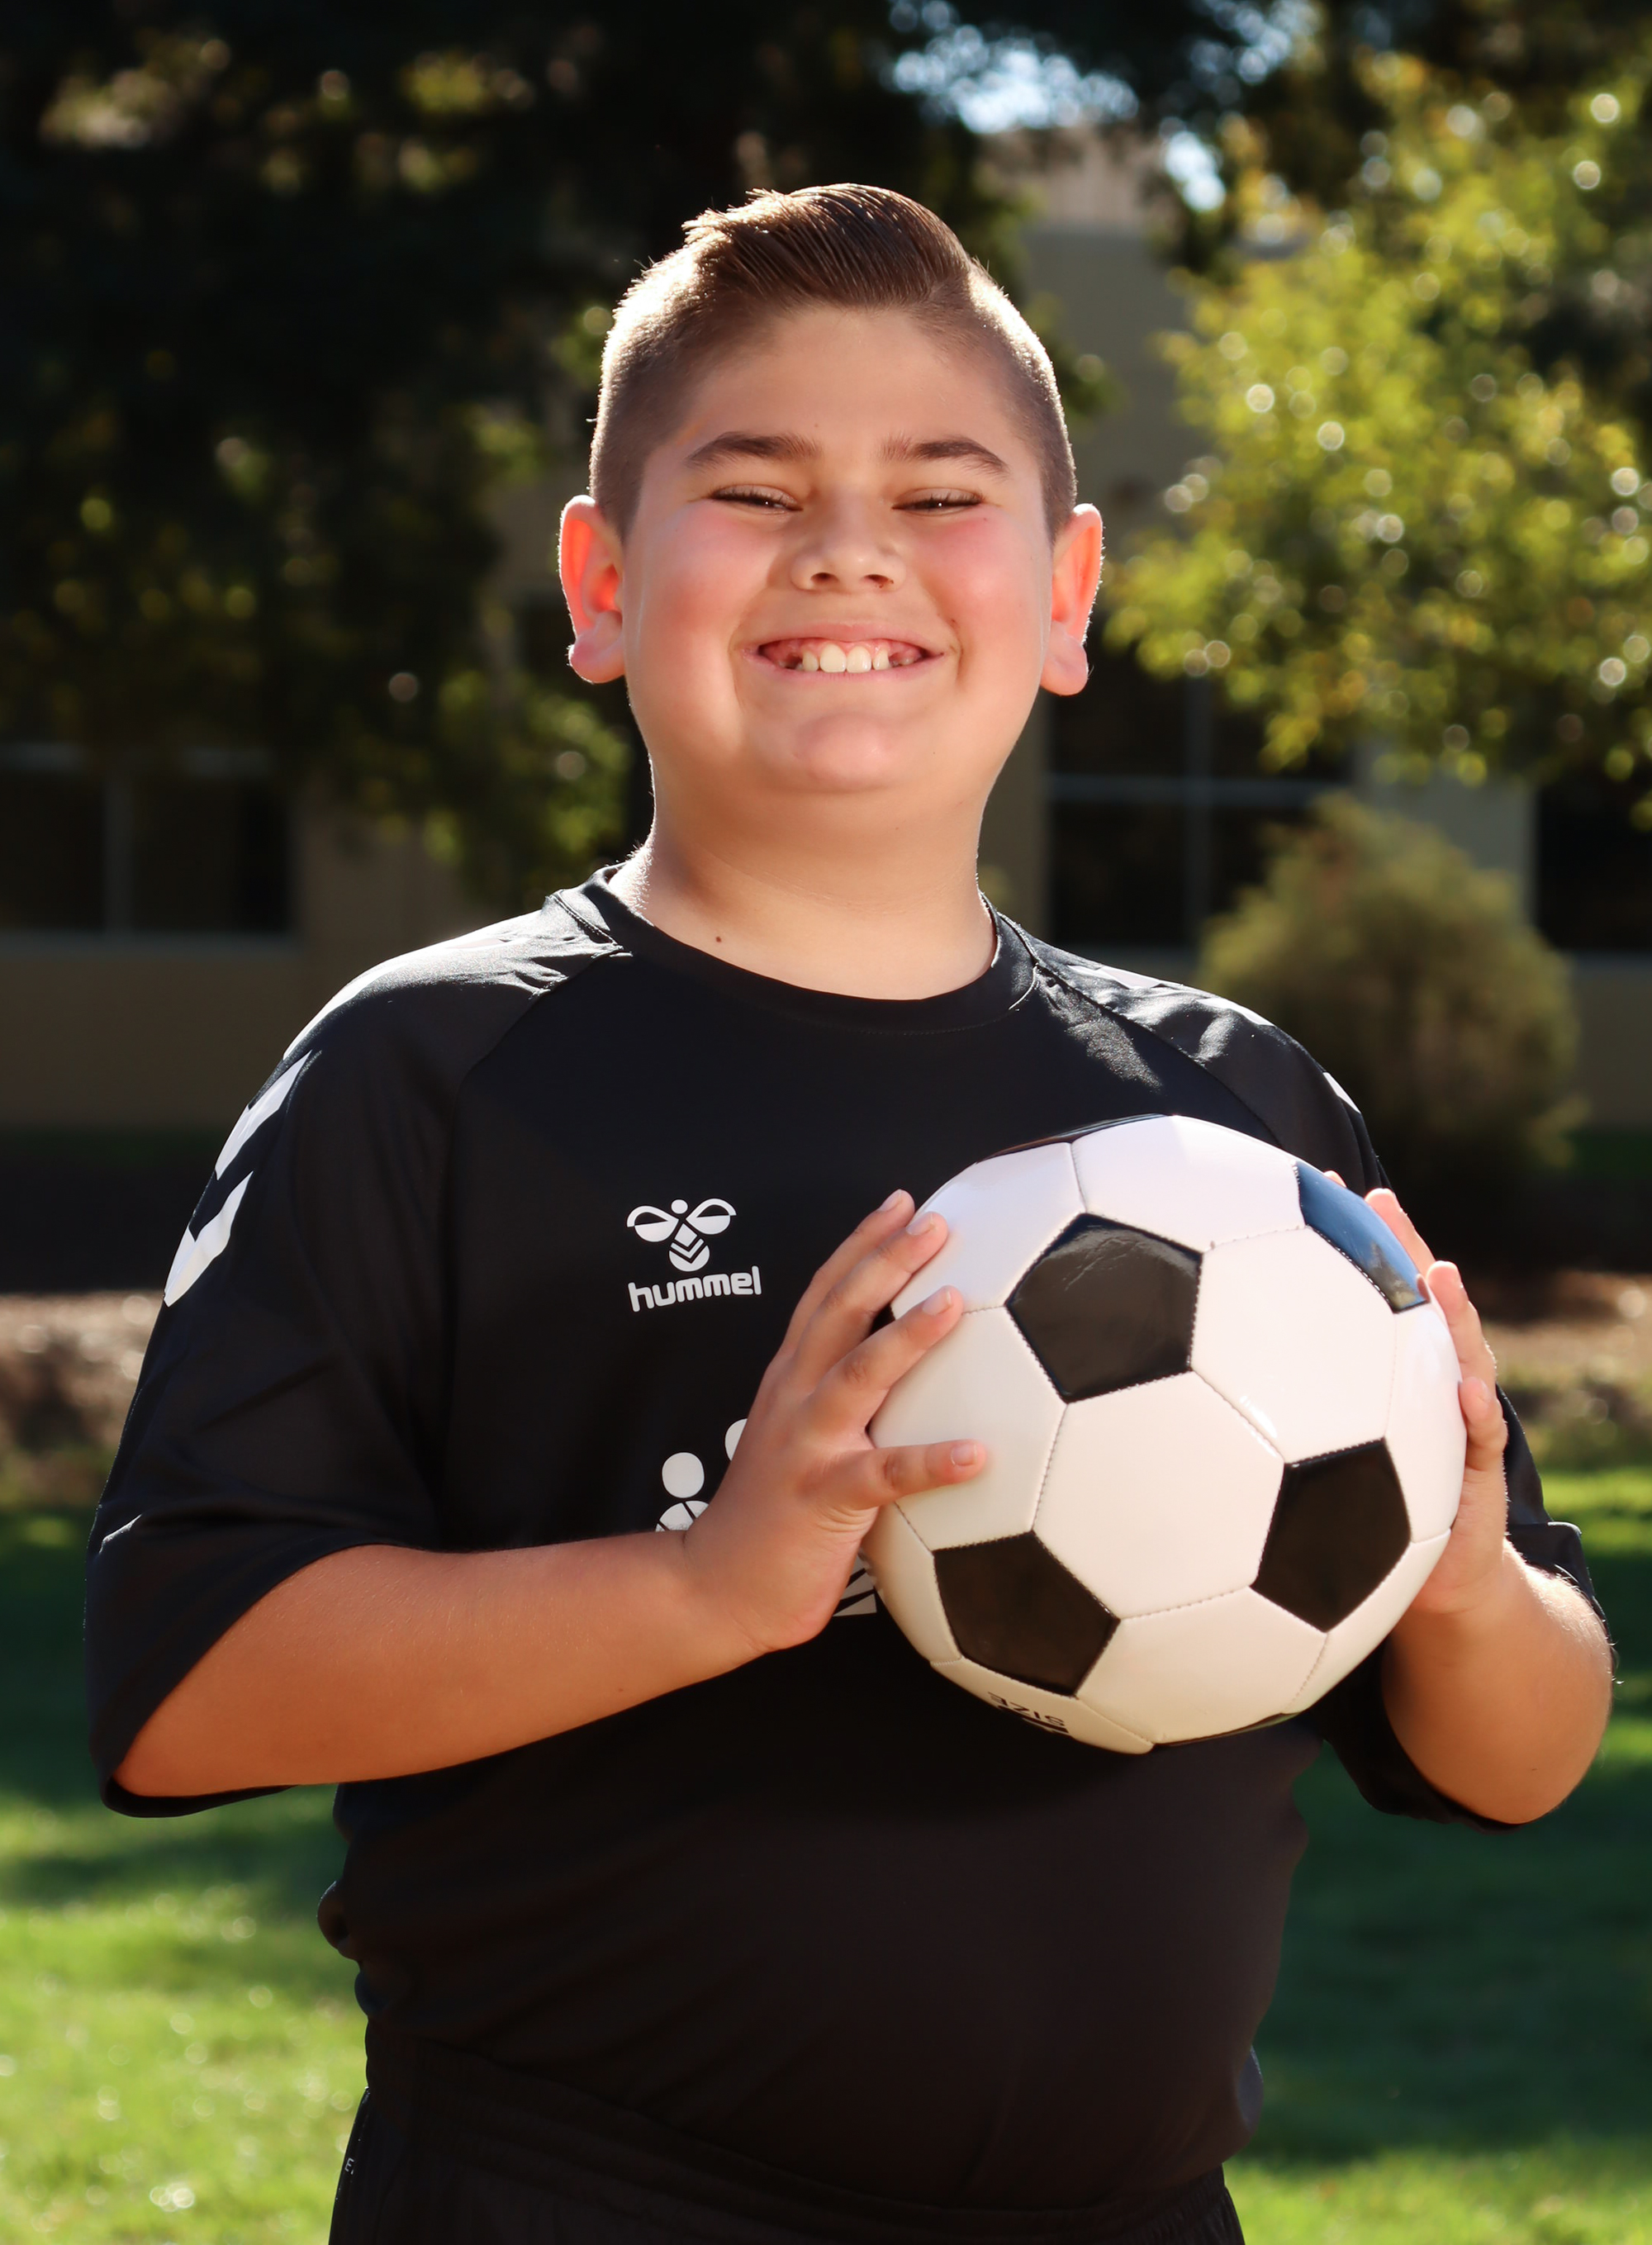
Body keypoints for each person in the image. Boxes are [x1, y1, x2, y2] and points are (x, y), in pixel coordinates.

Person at [86, 185, 1613, 2245]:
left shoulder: (1234, 1122)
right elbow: (187, 1683)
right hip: (576, 2196)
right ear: (600, 584)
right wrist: (709, 1587)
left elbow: (1521, 1758)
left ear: (1065, 595)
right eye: (755, 488)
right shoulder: (430, 1076)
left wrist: (1457, 1574)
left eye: (939, 492)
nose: (847, 547)